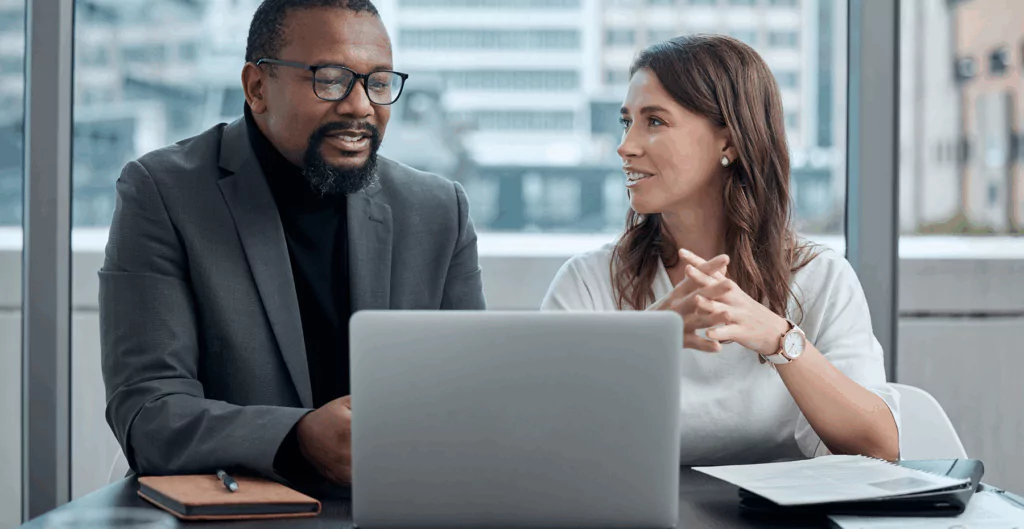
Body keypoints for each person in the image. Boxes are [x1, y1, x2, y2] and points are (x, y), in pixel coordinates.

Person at [100, 0, 485, 491]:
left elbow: (474, 401)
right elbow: (148, 414)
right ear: (258, 88)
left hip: (401, 502)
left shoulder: (438, 210)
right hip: (237, 516)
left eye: (379, 82)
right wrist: (297, 437)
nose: (361, 106)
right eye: (330, 79)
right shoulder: (162, 193)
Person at [541, 35, 900, 464]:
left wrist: (778, 339)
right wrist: (648, 339)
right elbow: (542, 441)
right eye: (627, 122)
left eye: (654, 121)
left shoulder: (820, 277)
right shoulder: (588, 282)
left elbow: (880, 447)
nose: (625, 146)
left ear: (727, 143)